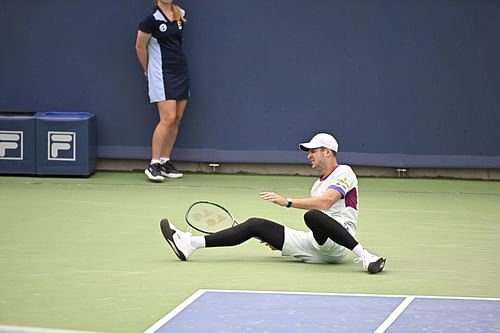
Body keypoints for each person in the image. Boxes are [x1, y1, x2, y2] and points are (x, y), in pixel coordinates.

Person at [160, 133, 387, 274]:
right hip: (318, 247)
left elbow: (327, 203)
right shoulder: (316, 184)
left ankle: (366, 256)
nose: (309, 155)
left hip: (340, 241)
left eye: (313, 151)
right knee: (255, 225)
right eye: (308, 152)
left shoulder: (344, 172)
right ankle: (190, 244)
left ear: (328, 152)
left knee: (313, 216)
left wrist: (286, 201)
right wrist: (278, 242)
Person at [135, 0, 189, 182]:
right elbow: (140, 46)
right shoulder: (150, 19)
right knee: (167, 118)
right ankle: (154, 164)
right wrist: (147, 70)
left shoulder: (180, 13)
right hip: (160, 74)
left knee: (177, 118)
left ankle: (165, 162)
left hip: (180, 71)